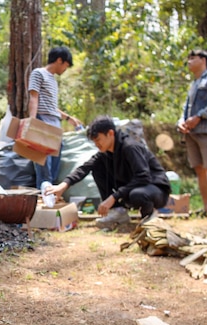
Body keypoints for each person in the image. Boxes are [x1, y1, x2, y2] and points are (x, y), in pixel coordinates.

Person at [44, 115, 171, 229]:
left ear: (110, 133)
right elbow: (85, 168)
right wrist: (63, 185)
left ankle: (149, 216)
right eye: (94, 141)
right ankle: (118, 212)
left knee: (137, 194)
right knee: (97, 168)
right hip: (132, 189)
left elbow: (143, 177)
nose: (97, 144)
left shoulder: (130, 147)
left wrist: (113, 197)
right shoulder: (105, 153)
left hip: (155, 189)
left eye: (98, 139)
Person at [177, 49, 207, 219]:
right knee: (199, 169)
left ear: (203, 60)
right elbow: (186, 108)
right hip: (191, 133)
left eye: (192, 58)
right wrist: (181, 122)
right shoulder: (193, 84)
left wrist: (199, 116)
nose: (189, 61)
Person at [27, 46, 82, 190]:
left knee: (56, 156)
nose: (65, 69)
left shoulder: (53, 80)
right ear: (59, 60)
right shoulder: (38, 73)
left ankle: (50, 189)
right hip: (42, 119)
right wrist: (32, 122)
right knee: (44, 160)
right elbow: (34, 97)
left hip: (54, 122)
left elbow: (52, 106)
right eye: (66, 65)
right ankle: (43, 189)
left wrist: (69, 118)